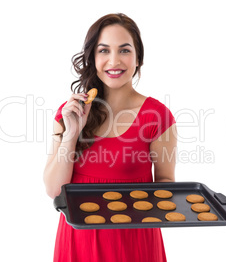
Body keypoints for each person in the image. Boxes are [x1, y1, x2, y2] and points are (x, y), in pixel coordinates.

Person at [43, 13, 177, 262]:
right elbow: (54, 189)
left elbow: (166, 185)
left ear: (138, 59)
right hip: (78, 244)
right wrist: (72, 134)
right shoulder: (69, 111)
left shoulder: (158, 116)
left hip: (134, 243)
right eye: (104, 51)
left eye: (124, 51)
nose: (114, 60)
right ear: (93, 58)